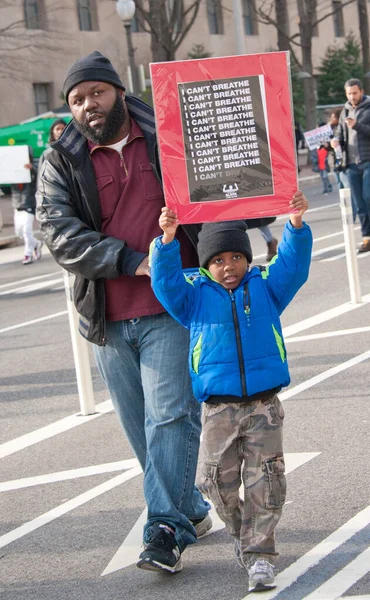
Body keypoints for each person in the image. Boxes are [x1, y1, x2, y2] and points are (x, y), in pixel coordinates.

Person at [36, 51, 211, 574]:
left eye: (97, 92)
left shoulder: (167, 134)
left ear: (117, 91)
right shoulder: (61, 159)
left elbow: (219, 193)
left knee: (171, 417)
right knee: (143, 430)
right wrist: (133, 262)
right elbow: (58, 232)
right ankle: (192, 508)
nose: (88, 105)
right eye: (77, 99)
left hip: (171, 306)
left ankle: (164, 529)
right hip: (107, 317)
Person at [150, 191, 312, 592]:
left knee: (267, 481)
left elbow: (293, 266)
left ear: (248, 258)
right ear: (206, 265)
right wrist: (167, 241)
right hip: (218, 410)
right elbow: (165, 283)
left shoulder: (265, 288)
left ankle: (260, 554)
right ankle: (244, 537)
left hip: (263, 405)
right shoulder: (193, 297)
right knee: (216, 485)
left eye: (236, 258)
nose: (229, 267)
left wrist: (294, 224)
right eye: (219, 260)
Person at [332, 78, 370, 253]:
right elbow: (340, 134)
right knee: (358, 201)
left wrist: (358, 126)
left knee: (369, 195)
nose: (352, 96)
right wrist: (334, 141)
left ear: (361, 92)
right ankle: (366, 236)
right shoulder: (345, 111)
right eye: (349, 93)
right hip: (350, 163)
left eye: (355, 93)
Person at [12, 147, 42, 265]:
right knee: (19, 232)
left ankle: (28, 255)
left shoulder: (34, 165)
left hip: (29, 203)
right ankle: (36, 243)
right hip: (17, 204)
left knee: (26, 231)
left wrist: (32, 169)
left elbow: (40, 175)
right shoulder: (13, 168)